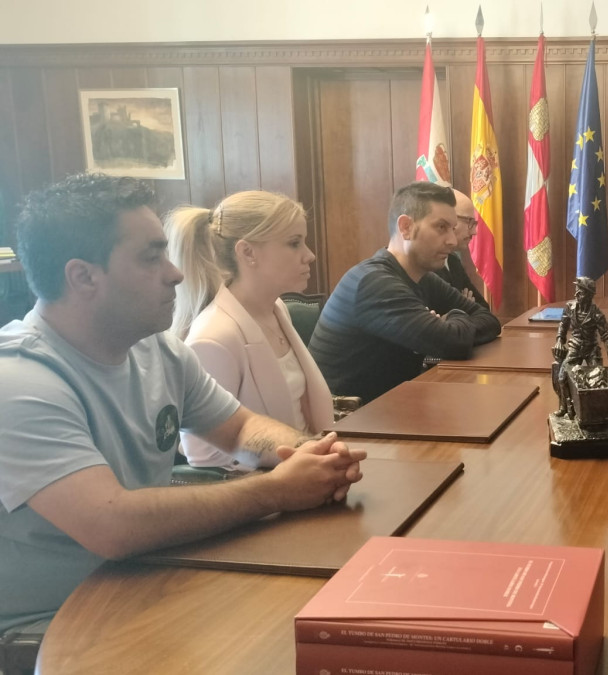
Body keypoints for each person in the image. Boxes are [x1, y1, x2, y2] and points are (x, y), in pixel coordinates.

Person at [0, 173, 365, 633]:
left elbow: (239, 429)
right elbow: (112, 525)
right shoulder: (16, 381)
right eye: (151, 257)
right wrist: (277, 490)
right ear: (83, 277)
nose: (175, 272)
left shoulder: (157, 348)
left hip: (150, 585)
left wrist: (304, 453)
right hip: (53, 629)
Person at [165, 191, 335, 471]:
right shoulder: (215, 337)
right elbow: (206, 457)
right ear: (247, 252)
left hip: (309, 468)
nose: (310, 255)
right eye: (294, 244)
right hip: (268, 493)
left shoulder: (277, 308)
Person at [309, 182, 501, 403]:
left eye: (452, 228)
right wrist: (457, 318)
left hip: (394, 406)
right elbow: (452, 343)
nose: (451, 240)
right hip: (351, 422)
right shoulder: (373, 282)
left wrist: (450, 320)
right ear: (406, 227)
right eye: (441, 227)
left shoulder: (423, 277)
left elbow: (488, 319)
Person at [553, 277, 608, 420]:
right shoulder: (570, 307)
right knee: (562, 377)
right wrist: (559, 340)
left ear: (589, 295)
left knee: (598, 381)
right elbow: (562, 326)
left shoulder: (597, 314)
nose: (576, 295)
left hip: (591, 348)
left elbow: (606, 337)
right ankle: (564, 407)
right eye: (576, 292)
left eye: (580, 293)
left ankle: (597, 413)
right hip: (575, 346)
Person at [432, 188, 489, 311]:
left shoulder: (453, 260)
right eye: (469, 222)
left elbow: (485, 311)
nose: (474, 231)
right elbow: (435, 327)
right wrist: (465, 310)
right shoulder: (425, 266)